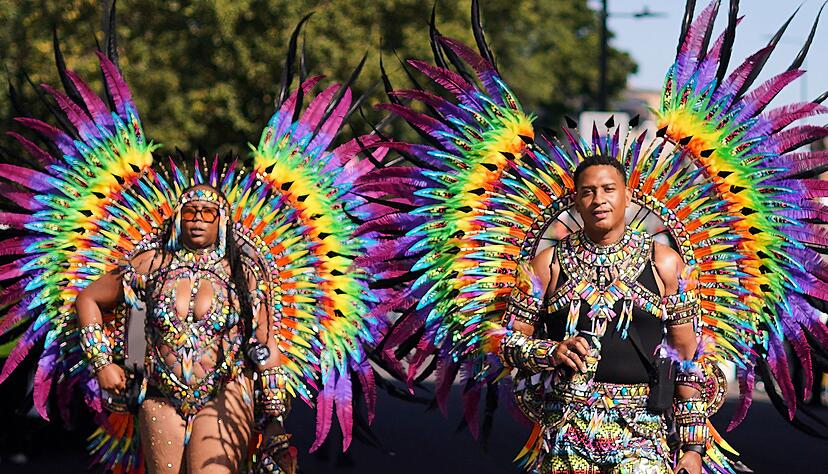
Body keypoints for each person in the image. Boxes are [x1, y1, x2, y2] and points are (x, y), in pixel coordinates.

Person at [498, 155, 705, 473]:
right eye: (588, 192)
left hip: (644, 435)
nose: (599, 200)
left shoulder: (665, 264)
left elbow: (687, 358)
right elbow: (507, 344)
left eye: (609, 189)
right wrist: (552, 351)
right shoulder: (546, 265)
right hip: (566, 432)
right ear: (576, 202)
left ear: (628, 196)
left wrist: (692, 448)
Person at [76, 184, 292, 473]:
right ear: (178, 218)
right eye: (191, 212)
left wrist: (275, 417)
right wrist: (102, 364)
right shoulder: (149, 265)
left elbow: (263, 344)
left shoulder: (242, 273)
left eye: (208, 213)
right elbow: (88, 299)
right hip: (159, 395)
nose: (198, 219)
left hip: (224, 395)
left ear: (222, 221)